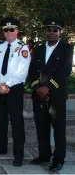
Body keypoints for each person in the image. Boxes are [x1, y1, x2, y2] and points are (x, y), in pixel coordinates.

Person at [29, 18, 73, 172]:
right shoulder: (39, 49)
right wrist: (37, 87)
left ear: (60, 32)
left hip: (56, 96)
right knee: (41, 127)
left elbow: (65, 71)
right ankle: (44, 155)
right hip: (38, 95)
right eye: (49, 29)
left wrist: (48, 87)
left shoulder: (67, 48)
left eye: (55, 30)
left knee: (58, 128)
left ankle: (58, 159)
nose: (52, 32)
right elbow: (32, 70)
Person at [0, 17, 30, 167]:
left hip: (14, 88)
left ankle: (18, 154)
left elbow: (22, 71)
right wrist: (0, 84)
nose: (9, 32)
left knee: (16, 122)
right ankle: (1, 147)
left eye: (11, 29)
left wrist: (7, 85)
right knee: (0, 120)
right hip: (0, 87)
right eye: (6, 30)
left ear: (17, 31)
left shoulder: (22, 48)